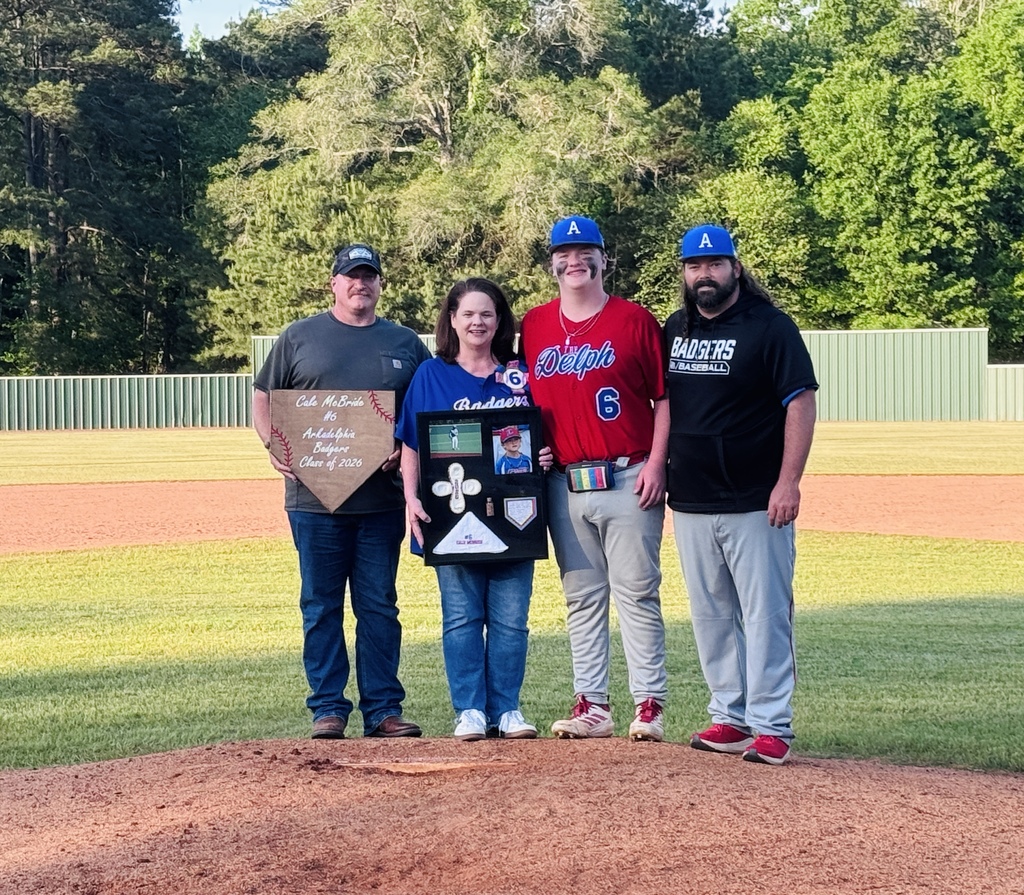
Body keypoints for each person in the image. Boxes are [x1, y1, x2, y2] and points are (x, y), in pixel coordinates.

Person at [252, 243, 431, 740]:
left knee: (379, 605)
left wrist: (404, 445)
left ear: (379, 284)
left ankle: (383, 710)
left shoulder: (404, 343)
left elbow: (423, 410)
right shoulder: (299, 337)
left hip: (380, 498)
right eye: (351, 276)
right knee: (321, 604)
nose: (361, 284)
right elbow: (263, 396)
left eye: (369, 275)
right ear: (333, 283)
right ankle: (328, 708)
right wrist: (273, 443)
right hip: (314, 499)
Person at [665, 224, 818, 766]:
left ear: (734, 268)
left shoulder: (769, 326)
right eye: (694, 266)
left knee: (766, 613)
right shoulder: (675, 328)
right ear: (684, 272)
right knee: (709, 615)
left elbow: (800, 402)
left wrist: (788, 481)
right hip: (690, 498)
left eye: (714, 264)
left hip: (756, 497)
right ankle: (728, 717)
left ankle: (772, 724)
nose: (704, 274)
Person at [519, 215, 670, 742]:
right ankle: (593, 705)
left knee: (636, 592)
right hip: (564, 482)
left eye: (586, 250)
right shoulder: (533, 325)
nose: (575, 259)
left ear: (604, 259)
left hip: (629, 474)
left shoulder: (634, 320)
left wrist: (656, 462)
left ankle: (648, 704)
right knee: (581, 596)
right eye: (564, 252)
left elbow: (664, 399)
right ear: (552, 263)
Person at [397, 277, 552, 741]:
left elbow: (536, 437)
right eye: (468, 314)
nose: (478, 322)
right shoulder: (432, 374)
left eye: (487, 313)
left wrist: (544, 454)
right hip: (451, 512)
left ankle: (506, 710)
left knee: (510, 619)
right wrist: (410, 499)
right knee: (462, 616)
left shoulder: (520, 373)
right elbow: (410, 446)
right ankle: (469, 709)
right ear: (452, 320)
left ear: (500, 319)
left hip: (515, 514)